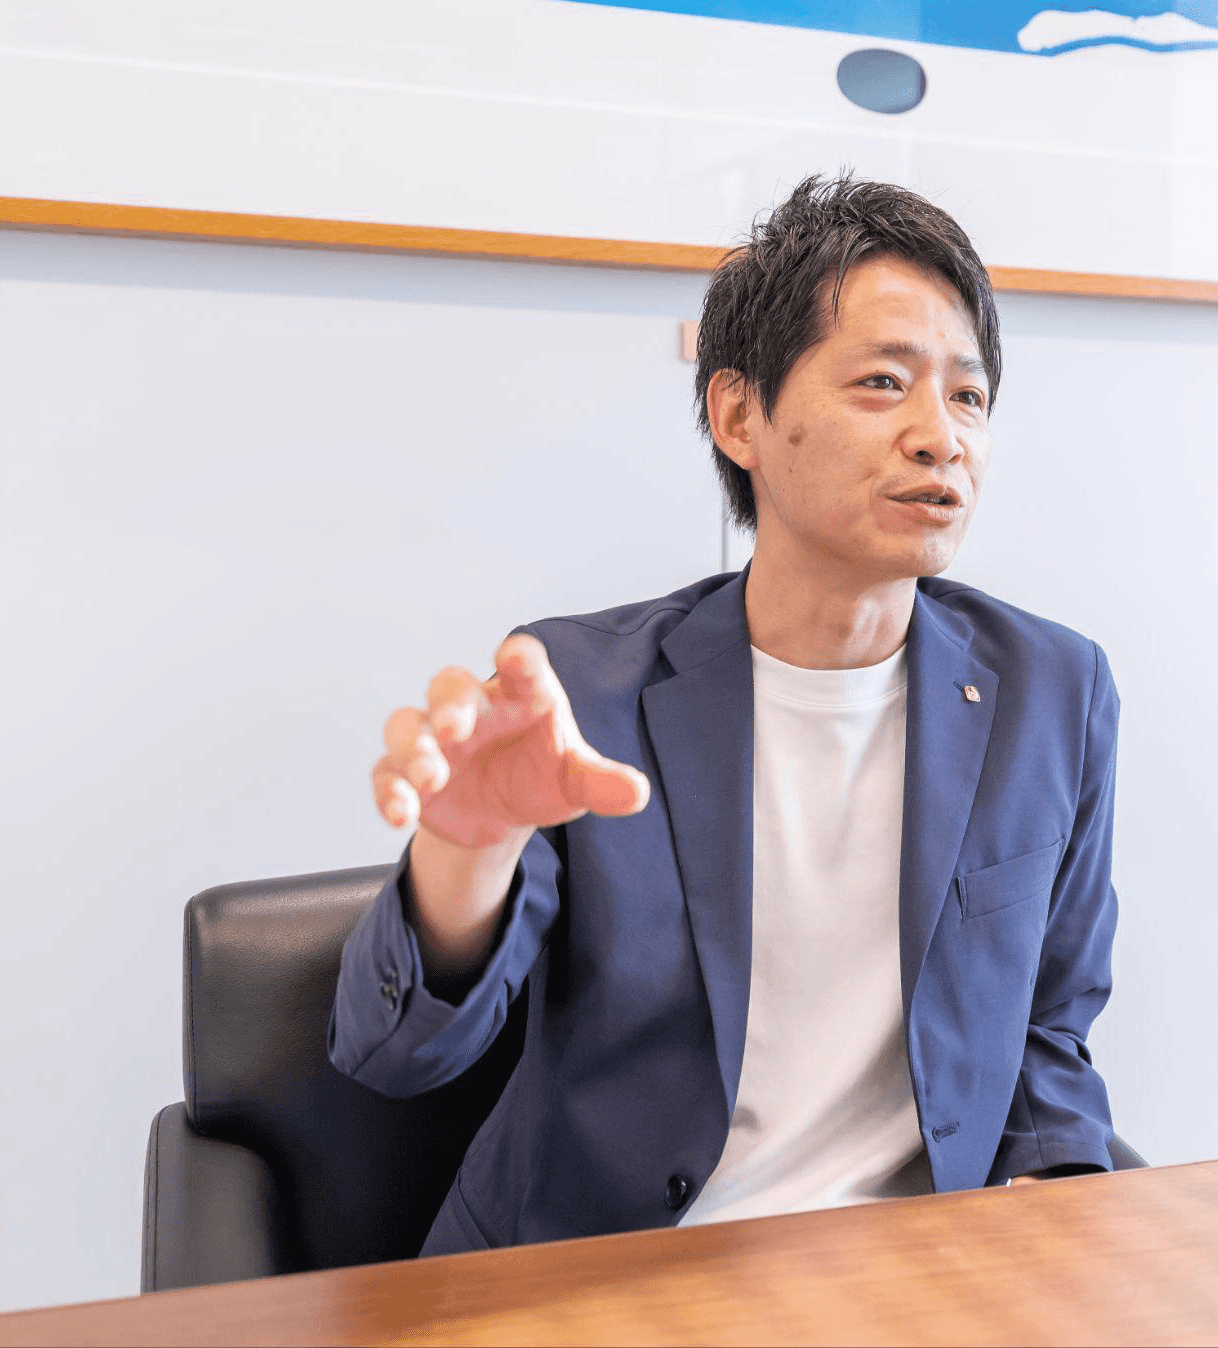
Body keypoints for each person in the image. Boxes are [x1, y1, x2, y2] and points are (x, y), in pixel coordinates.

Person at [328, 173, 1121, 1256]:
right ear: (739, 415)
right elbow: (395, 1056)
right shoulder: (581, 692)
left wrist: (1048, 1216)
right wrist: (467, 849)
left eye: (968, 397)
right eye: (883, 383)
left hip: (907, 1278)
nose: (941, 437)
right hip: (612, 1279)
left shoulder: (1051, 691)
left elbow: (1047, 1030)